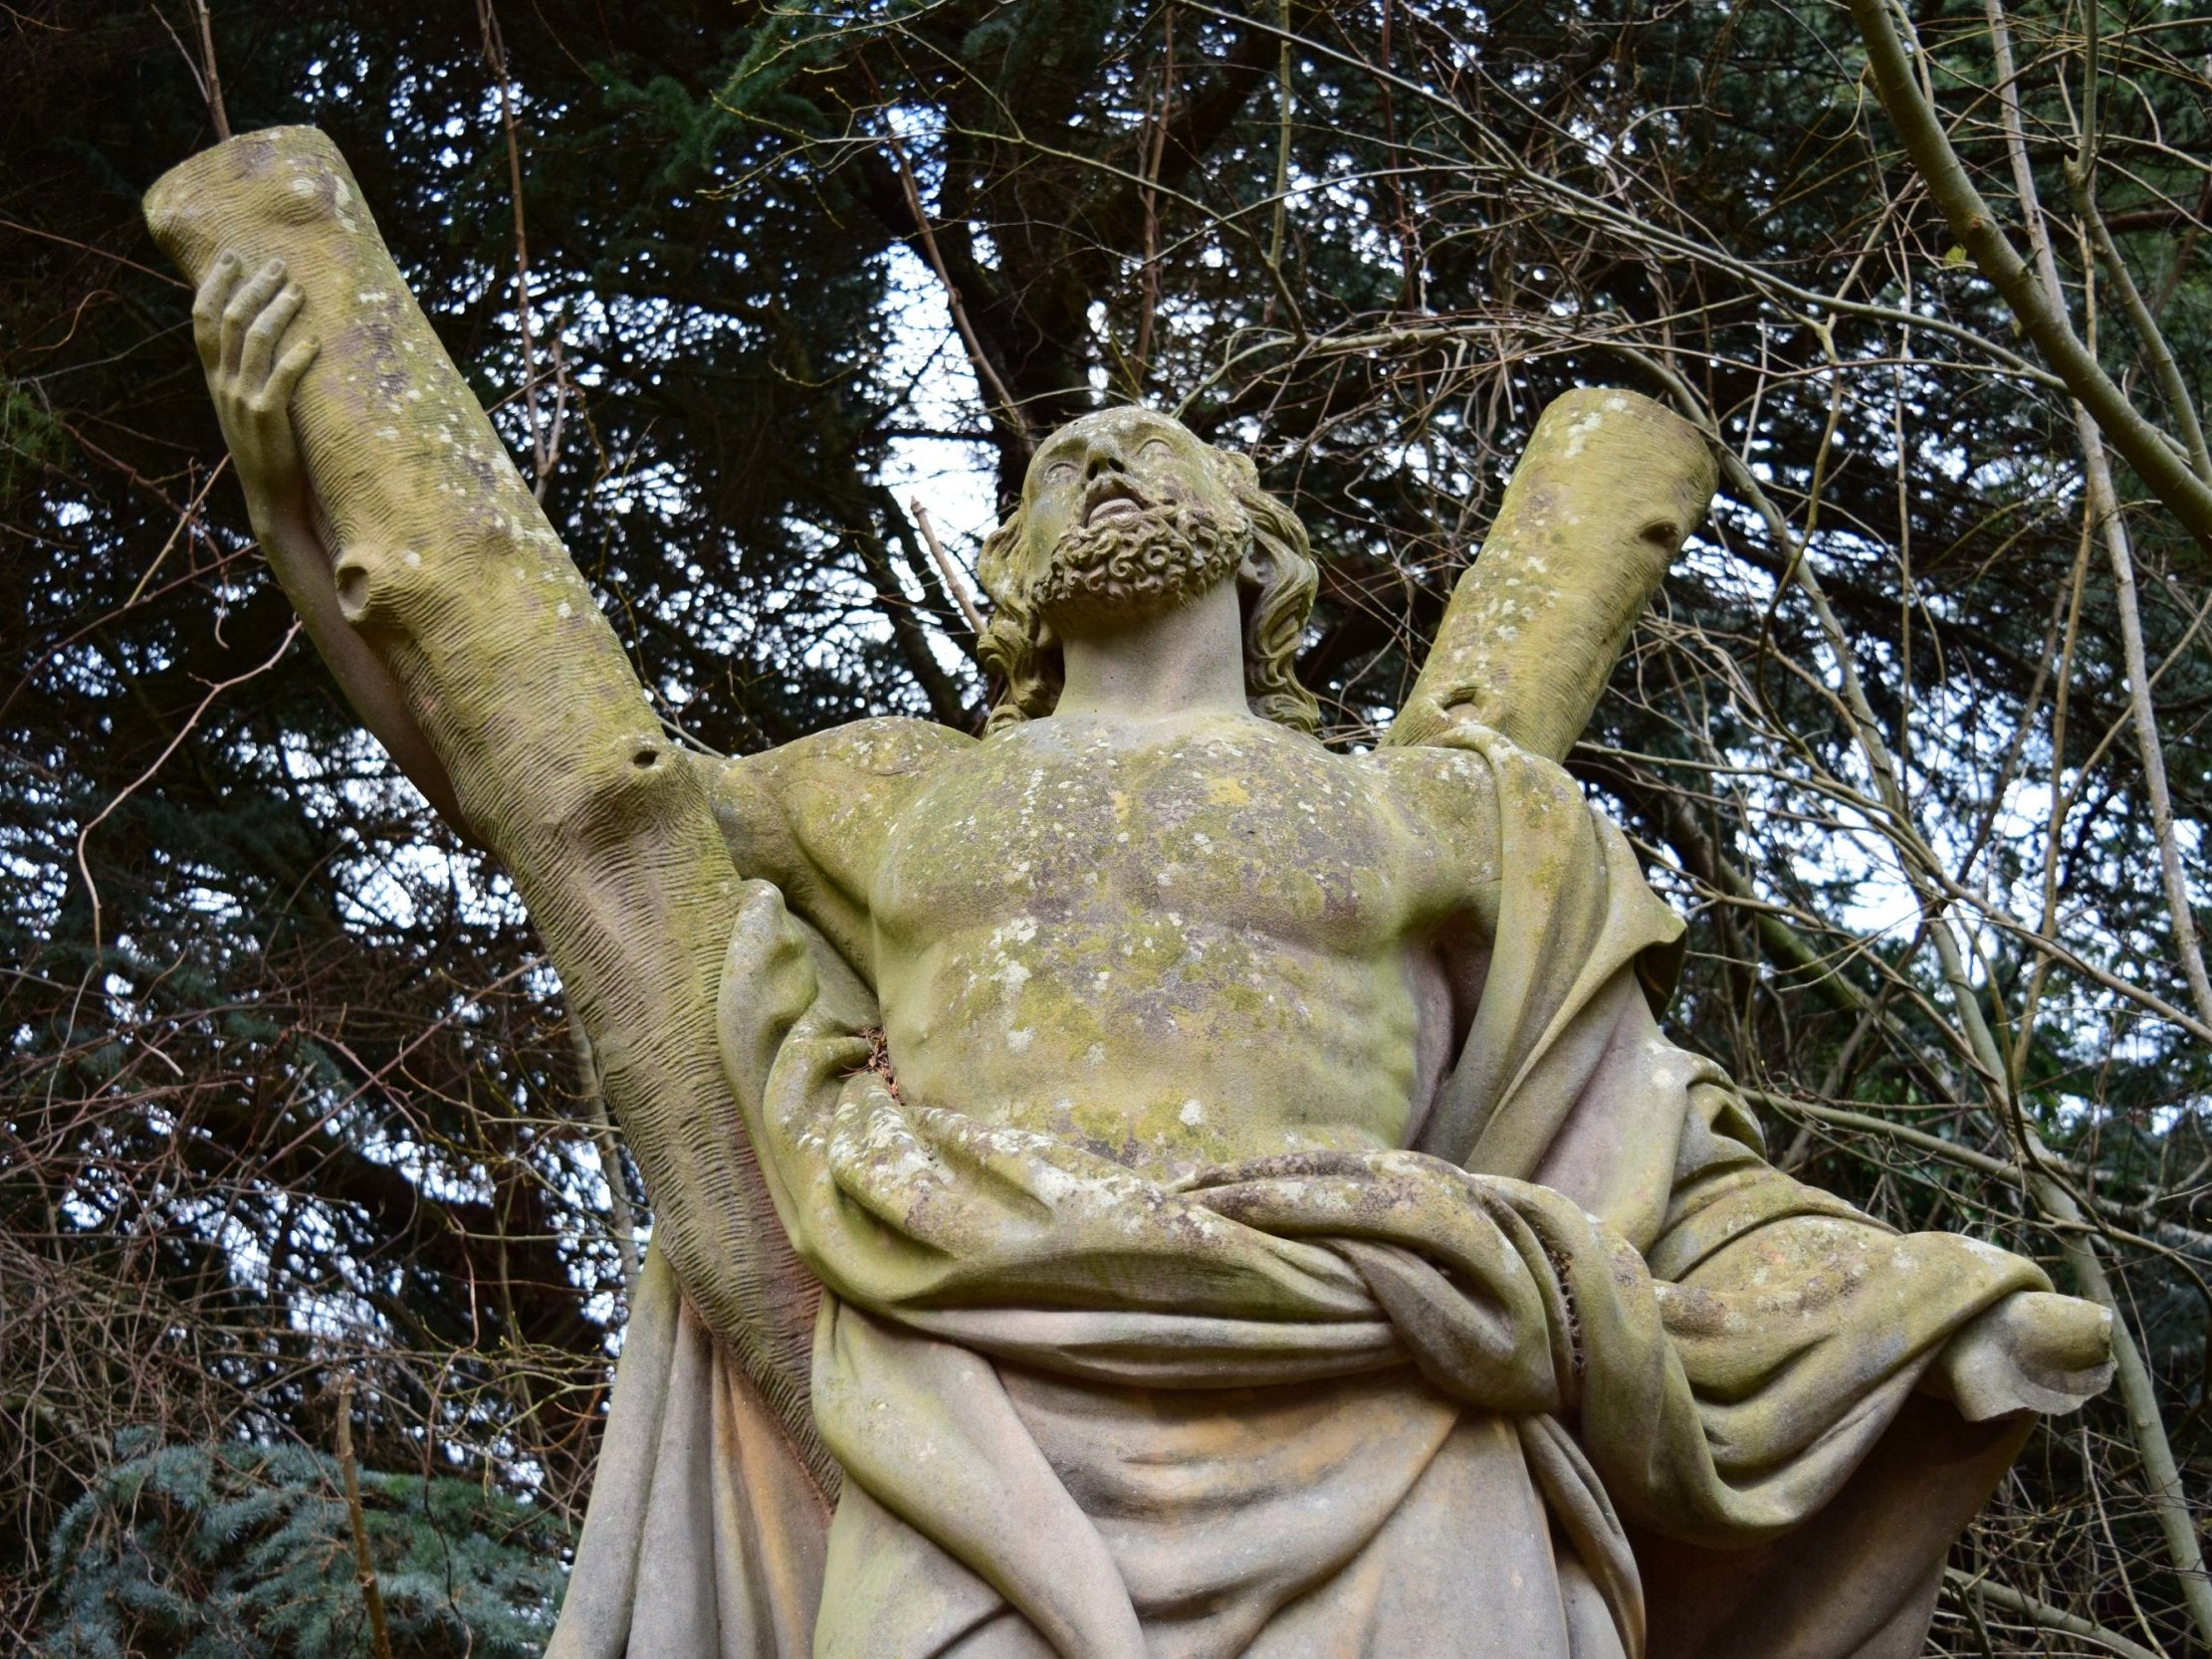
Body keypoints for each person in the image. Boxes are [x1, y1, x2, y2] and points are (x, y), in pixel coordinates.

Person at [188, 239, 2110, 1659]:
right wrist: (297, 497)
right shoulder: (885, 790)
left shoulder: (1441, 810)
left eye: (1153, 445)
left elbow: (1639, 1144)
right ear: (1005, 580)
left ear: (1262, 543)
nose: (1103, 459)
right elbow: (537, 788)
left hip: (1395, 1407)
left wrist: (1878, 1298)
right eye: (1054, 468)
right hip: (971, 1420)